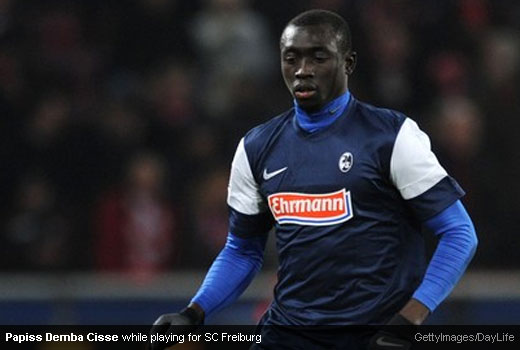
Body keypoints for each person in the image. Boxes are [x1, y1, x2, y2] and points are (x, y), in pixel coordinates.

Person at [150, 9, 478, 349]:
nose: (302, 70)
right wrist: (194, 311)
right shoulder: (257, 147)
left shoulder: (391, 137)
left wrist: (409, 320)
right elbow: (242, 249)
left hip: (372, 335)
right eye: (291, 58)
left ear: (348, 63)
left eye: (318, 57)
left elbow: (459, 233)